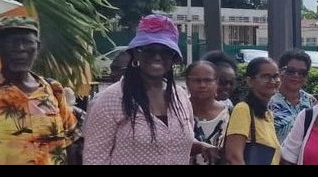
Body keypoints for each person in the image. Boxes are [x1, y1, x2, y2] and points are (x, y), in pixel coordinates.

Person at [83, 14, 217, 165]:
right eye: (149, 50)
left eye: (165, 51)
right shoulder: (109, 100)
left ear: (173, 58)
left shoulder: (181, 97)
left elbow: (169, 141)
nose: (157, 56)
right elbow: (94, 159)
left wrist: (201, 146)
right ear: (135, 54)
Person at [0, 17, 78, 165]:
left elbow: (71, 145)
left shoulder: (54, 90)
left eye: (27, 42)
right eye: (10, 43)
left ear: (37, 47)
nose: (20, 49)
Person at [224, 57, 282, 165]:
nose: (273, 81)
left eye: (276, 76)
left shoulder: (268, 114)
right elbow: (234, 157)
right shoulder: (243, 109)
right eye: (266, 77)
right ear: (250, 81)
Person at [186, 61, 231, 165]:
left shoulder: (230, 115)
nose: (202, 85)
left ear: (217, 82)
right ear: (187, 82)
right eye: (197, 80)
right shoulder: (177, 113)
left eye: (208, 80)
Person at [269, 49, 317, 141]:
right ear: (280, 71)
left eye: (302, 73)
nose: (296, 75)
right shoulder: (269, 100)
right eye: (291, 71)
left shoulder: (311, 101)